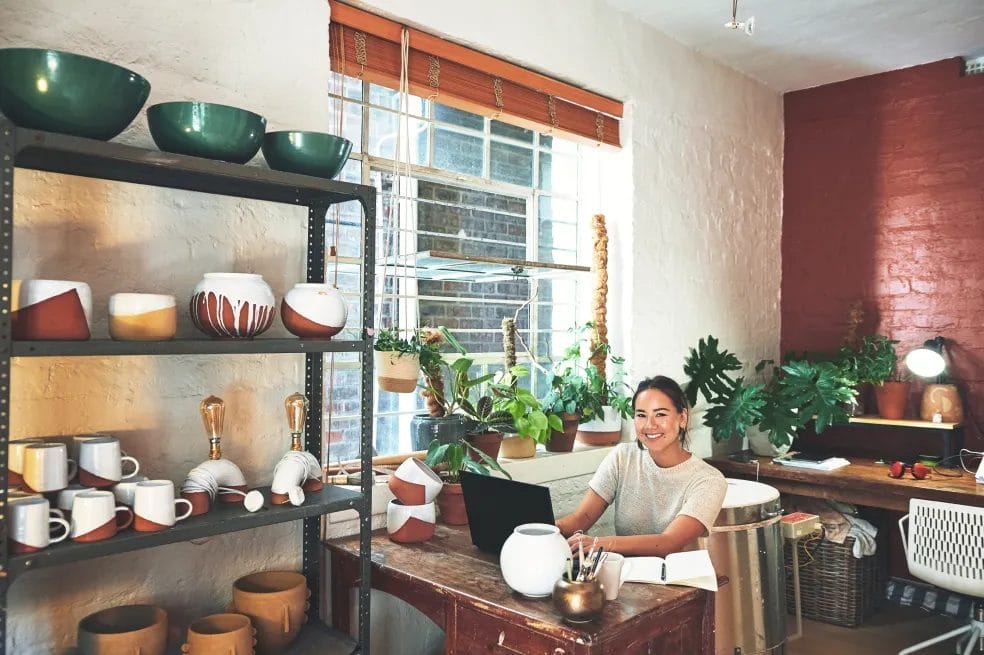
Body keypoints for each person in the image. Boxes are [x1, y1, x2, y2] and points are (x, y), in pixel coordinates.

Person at [556, 375, 727, 557]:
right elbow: (580, 520)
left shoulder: (709, 480)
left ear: (682, 418)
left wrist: (598, 543)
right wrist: (549, 528)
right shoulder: (623, 457)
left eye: (660, 414)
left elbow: (668, 543)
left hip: (680, 582)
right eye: (641, 415)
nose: (650, 425)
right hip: (627, 575)